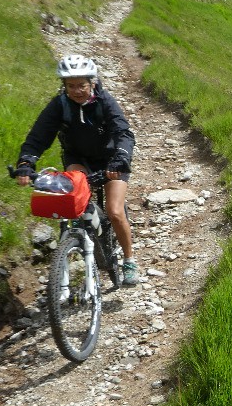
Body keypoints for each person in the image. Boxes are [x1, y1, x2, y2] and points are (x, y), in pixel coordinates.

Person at [14, 54, 140, 286]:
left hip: (111, 160)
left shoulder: (105, 102)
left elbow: (123, 132)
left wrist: (121, 157)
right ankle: (81, 241)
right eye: (70, 86)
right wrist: (26, 163)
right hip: (78, 158)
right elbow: (38, 137)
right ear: (64, 86)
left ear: (92, 82)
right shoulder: (59, 105)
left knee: (114, 211)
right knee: (76, 204)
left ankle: (129, 260)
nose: (77, 91)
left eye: (81, 85)